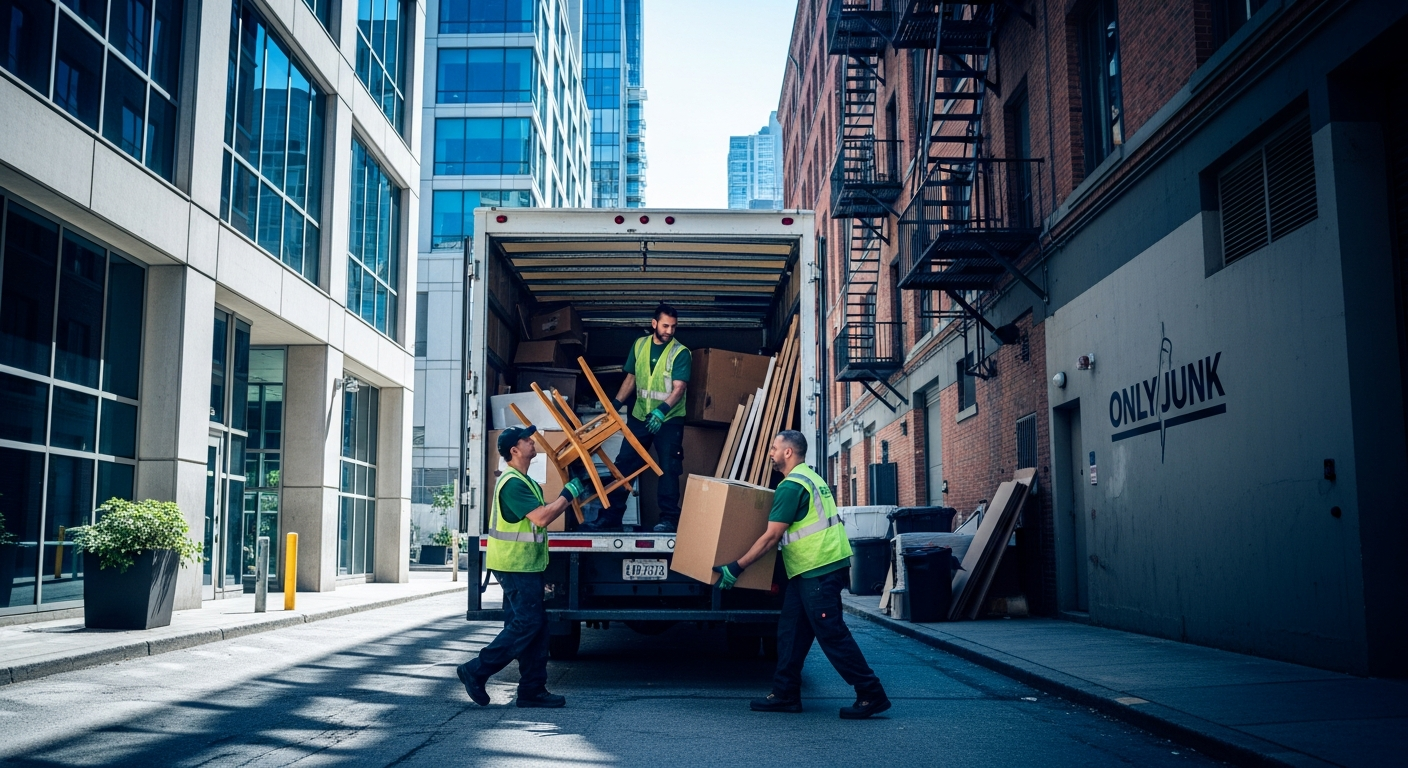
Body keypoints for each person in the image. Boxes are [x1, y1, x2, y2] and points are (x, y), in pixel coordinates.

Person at [715, 430, 891, 720]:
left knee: (832, 635)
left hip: (817, 570)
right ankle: (785, 694)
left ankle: (871, 693)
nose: (771, 453)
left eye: (774, 448)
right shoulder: (812, 478)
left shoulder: (792, 485)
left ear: (788, 452)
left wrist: (736, 567)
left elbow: (772, 537)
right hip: (810, 570)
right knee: (790, 632)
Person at [457, 425, 588, 708]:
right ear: (514, 451)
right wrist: (568, 494)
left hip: (525, 565)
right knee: (528, 623)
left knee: (536, 626)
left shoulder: (525, 481)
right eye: (526, 440)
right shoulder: (513, 483)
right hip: (514, 566)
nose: (532, 442)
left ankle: (532, 689)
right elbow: (541, 518)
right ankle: (476, 670)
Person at [578, 302, 691, 533]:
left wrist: (662, 411)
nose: (669, 331)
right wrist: (616, 404)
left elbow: (679, 389)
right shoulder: (639, 345)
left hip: (668, 420)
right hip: (640, 417)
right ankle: (610, 517)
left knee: (668, 468)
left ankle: (668, 519)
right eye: (665, 326)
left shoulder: (681, 352)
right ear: (654, 324)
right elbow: (631, 378)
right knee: (623, 466)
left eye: (674, 327)